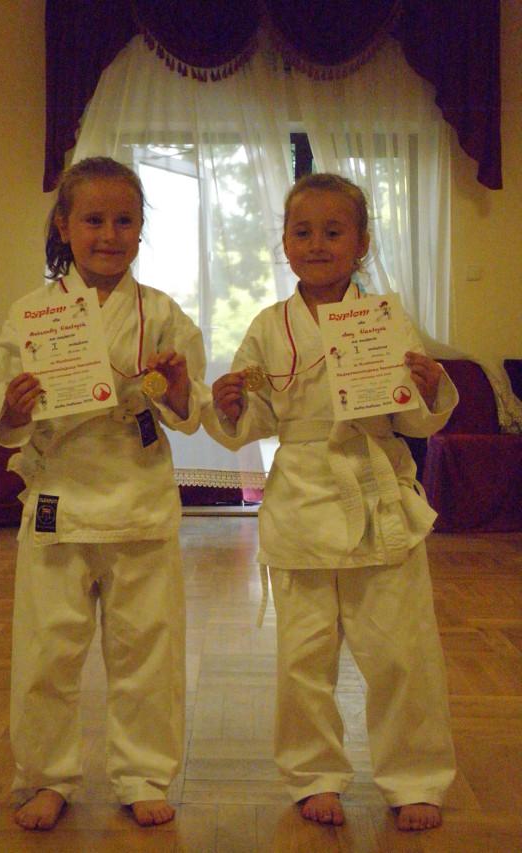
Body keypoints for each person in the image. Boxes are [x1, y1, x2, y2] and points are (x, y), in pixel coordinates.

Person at [203, 173, 457, 832]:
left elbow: (413, 418)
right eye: (302, 231)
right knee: (304, 657)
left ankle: (415, 775)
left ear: (362, 243)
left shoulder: (386, 320)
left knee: (402, 653)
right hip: (302, 501)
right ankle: (314, 772)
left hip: (377, 494)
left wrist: (429, 386)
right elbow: (254, 417)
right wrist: (230, 404)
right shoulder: (268, 327)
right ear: (285, 243)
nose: (317, 244)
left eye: (333, 231)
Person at [0, 157, 208, 830]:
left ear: (140, 228)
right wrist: (16, 407)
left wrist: (179, 387)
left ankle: (143, 773)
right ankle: (46, 775)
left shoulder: (161, 313)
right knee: (46, 652)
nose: (110, 234)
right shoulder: (32, 314)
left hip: (138, 499)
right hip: (60, 499)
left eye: (124, 220)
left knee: (147, 651)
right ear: (64, 226)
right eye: (94, 220)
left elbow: (189, 410)